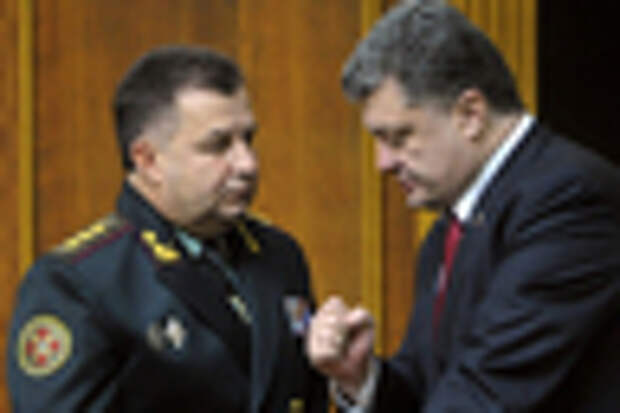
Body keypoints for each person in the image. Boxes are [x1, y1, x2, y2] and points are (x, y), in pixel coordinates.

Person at [307, 1, 620, 412]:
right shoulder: (448, 229)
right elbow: (429, 388)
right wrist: (362, 379)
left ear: (471, 114)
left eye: (399, 137)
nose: (382, 163)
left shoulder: (569, 199)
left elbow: (488, 393)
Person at [7, 45, 326, 412]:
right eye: (218, 145)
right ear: (148, 160)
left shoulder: (278, 255)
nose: (247, 164)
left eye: (248, 140)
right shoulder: (80, 284)